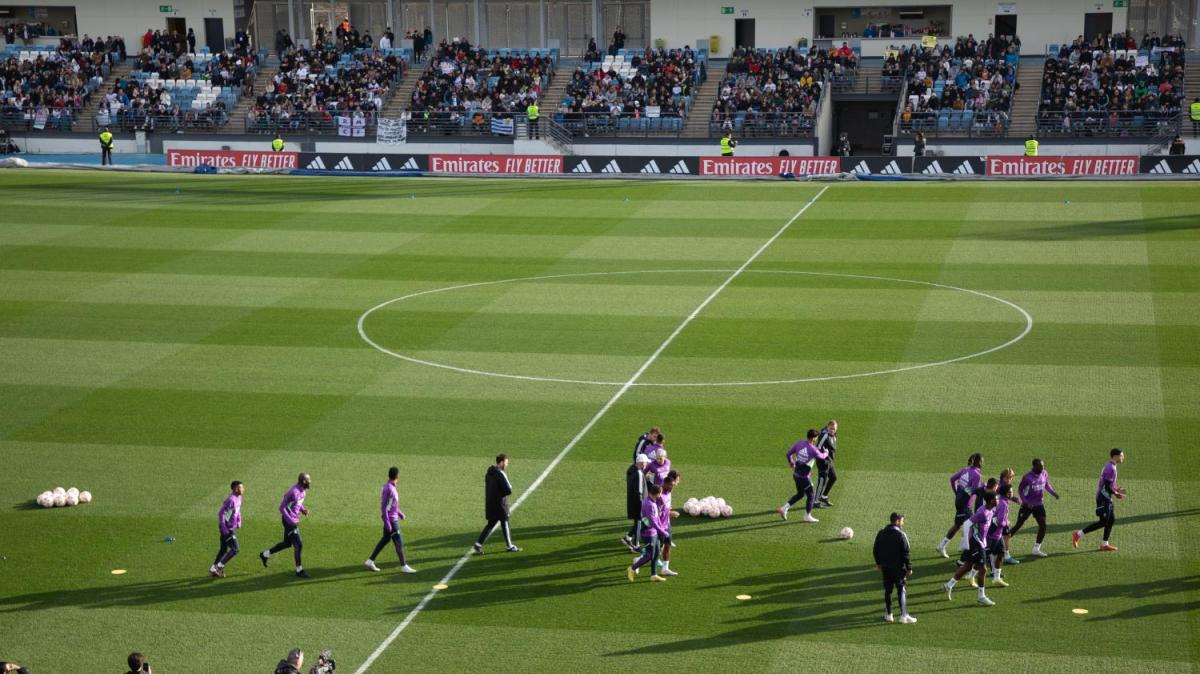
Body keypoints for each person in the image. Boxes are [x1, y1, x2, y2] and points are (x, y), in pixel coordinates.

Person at [943, 490, 998, 606]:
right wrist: (965, 543)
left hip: (980, 542)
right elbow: (967, 524)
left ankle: (949, 585)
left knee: (968, 566)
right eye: (996, 498)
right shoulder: (982, 512)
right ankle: (981, 596)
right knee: (983, 569)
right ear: (992, 500)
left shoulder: (990, 510)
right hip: (976, 543)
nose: (997, 500)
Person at [1072, 448, 1126, 552]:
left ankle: (1104, 544)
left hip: (1107, 497)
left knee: (1111, 520)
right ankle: (1077, 534)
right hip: (1103, 497)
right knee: (1103, 521)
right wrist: (1116, 493)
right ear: (1115, 456)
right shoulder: (1111, 468)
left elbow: (1109, 484)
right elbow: (1106, 486)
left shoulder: (1112, 466)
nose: (1123, 457)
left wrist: (1116, 489)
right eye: (1121, 455)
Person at [365, 466, 416, 573]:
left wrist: (400, 513)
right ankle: (404, 566)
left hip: (392, 518)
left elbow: (392, 505)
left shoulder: (390, 487)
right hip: (392, 520)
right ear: (397, 476)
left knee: (385, 539)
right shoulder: (389, 489)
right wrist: (387, 522)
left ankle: (370, 561)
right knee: (399, 542)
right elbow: (384, 507)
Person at [260, 473, 311, 577]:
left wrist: (303, 510)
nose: (311, 481)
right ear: (304, 481)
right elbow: (282, 507)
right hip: (289, 521)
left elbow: (297, 503)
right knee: (299, 545)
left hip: (293, 519)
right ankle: (299, 570)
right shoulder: (293, 491)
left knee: (287, 543)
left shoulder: (303, 490)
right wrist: (290, 520)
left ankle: (265, 554)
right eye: (309, 479)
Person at [936, 453, 983, 557]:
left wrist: (956, 492)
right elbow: (974, 490)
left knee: (965, 524)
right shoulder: (977, 475)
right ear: (979, 462)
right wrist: (982, 488)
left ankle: (962, 546)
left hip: (960, 502)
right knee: (967, 525)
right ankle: (944, 545)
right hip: (966, 506)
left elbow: (952, 479)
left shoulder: (965, 470)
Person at [1009, 458, 1059, 557]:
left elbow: (1046, 485)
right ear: (1034, 466)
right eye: (1040, 466)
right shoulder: (1027, 477)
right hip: (1027, 505)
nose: (1042, 468)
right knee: (1018, 525)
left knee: (1043, 525)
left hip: (1039, 504)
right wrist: (1025, 502)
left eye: (1043, 466)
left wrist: (1054, 493)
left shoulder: (1044, 473)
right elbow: (1020, 490)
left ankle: (1036, 549)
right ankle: (1002, 542)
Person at [873, 512, 915, 624]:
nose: (903, 523)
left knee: (888, 590)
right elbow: (906, 553)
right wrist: (909, 568)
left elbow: (875, 549)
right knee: (901, 590)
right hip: (898, 569)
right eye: (902, 521)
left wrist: (878, 563)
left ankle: (889, 615)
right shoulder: (901, 535)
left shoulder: (881, 533)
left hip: (885, 568)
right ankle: (903, 616)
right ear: (897, 521)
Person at [777, 429, 827, 523]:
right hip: (804, 478)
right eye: (816, 437)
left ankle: (784, 509)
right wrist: (826, 452)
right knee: (811, 495)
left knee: (800, 494)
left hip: (796, 474)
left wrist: (791, 463)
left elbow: (788, 454)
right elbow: (822, 456)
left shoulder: (799, 443)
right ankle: (807, 516)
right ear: (813, 438)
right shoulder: (813, 449)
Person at [474, 454, 520, 553]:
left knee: (491, 523)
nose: (507, 465)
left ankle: (478, 544)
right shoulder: (500, 473)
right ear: (501, 462)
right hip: (500, 504)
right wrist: (505, 491)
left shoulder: (489, 472)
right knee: (505, 521)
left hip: (490, 503)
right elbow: (508, 490)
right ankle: (510, 546)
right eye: (506, 463)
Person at [626, 482, 667, 582]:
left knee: (657, 553)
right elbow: (653, 522)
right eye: (660, 494)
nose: (660, 496)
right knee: (649, 555)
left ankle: (653, 575)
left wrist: (661, 529)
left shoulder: (650, 501)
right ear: (657, 494)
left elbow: (656, 518)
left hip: (654, 532)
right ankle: (632, 569)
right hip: (649, 534)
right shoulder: (650, 505)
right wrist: (663, 532)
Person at [210, 480, 243, 578]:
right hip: (227, 528)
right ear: (236, 489)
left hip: (230, 526)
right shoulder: (231, 499)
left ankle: (213, 569)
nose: (243, 489)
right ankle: (218, 567)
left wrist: (239, 520)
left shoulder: (239, 497)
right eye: (241, 487)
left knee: (223, 549)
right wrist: (224, 527)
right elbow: (221, 513)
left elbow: (237, 510)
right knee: (235, 549)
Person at [986, 483, 1014, 587]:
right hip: (993, 534)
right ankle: (969, 575)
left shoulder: (1001, 500)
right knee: (980, 559)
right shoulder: (1004, 505)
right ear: (1007, 494)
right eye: (1011, 492)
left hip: (994, 533)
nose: (1012, 493)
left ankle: (996, 577)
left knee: (999, 553)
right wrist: (1007, 522)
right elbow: (999, 521)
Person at [623, 453, 651, 551]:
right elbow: (639, 491)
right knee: (639, 522)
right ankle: (635, 545)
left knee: (638, 522)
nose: (647, 464)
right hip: (638, 502)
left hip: (632, 500)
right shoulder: (639, 473)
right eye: (646, 463)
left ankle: (628, 538)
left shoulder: (632, 470)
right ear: (642, 463)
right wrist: (642, 504)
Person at [657, 471, 682, 576]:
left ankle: (665, 568)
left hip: (667, 525)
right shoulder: (659, 495)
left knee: (667, 545)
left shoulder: (669, 492)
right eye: (671, 486)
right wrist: (670, 513)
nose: (673, 487)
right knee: (655, 548)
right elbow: (656, 513)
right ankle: (638, 561)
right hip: (659, 526)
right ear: (665, 484)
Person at [814, 419, 838, 506]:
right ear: (827, 427)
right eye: (831, 428)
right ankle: (815, 501)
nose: (832, 430)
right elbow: (817, 448)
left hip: (829, 462)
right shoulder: (824, 435)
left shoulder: (834, 435)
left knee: (833, 477)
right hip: (823, 462)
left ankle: (824, 496)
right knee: (822, 481)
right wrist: (823, 456)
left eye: (834, 429)